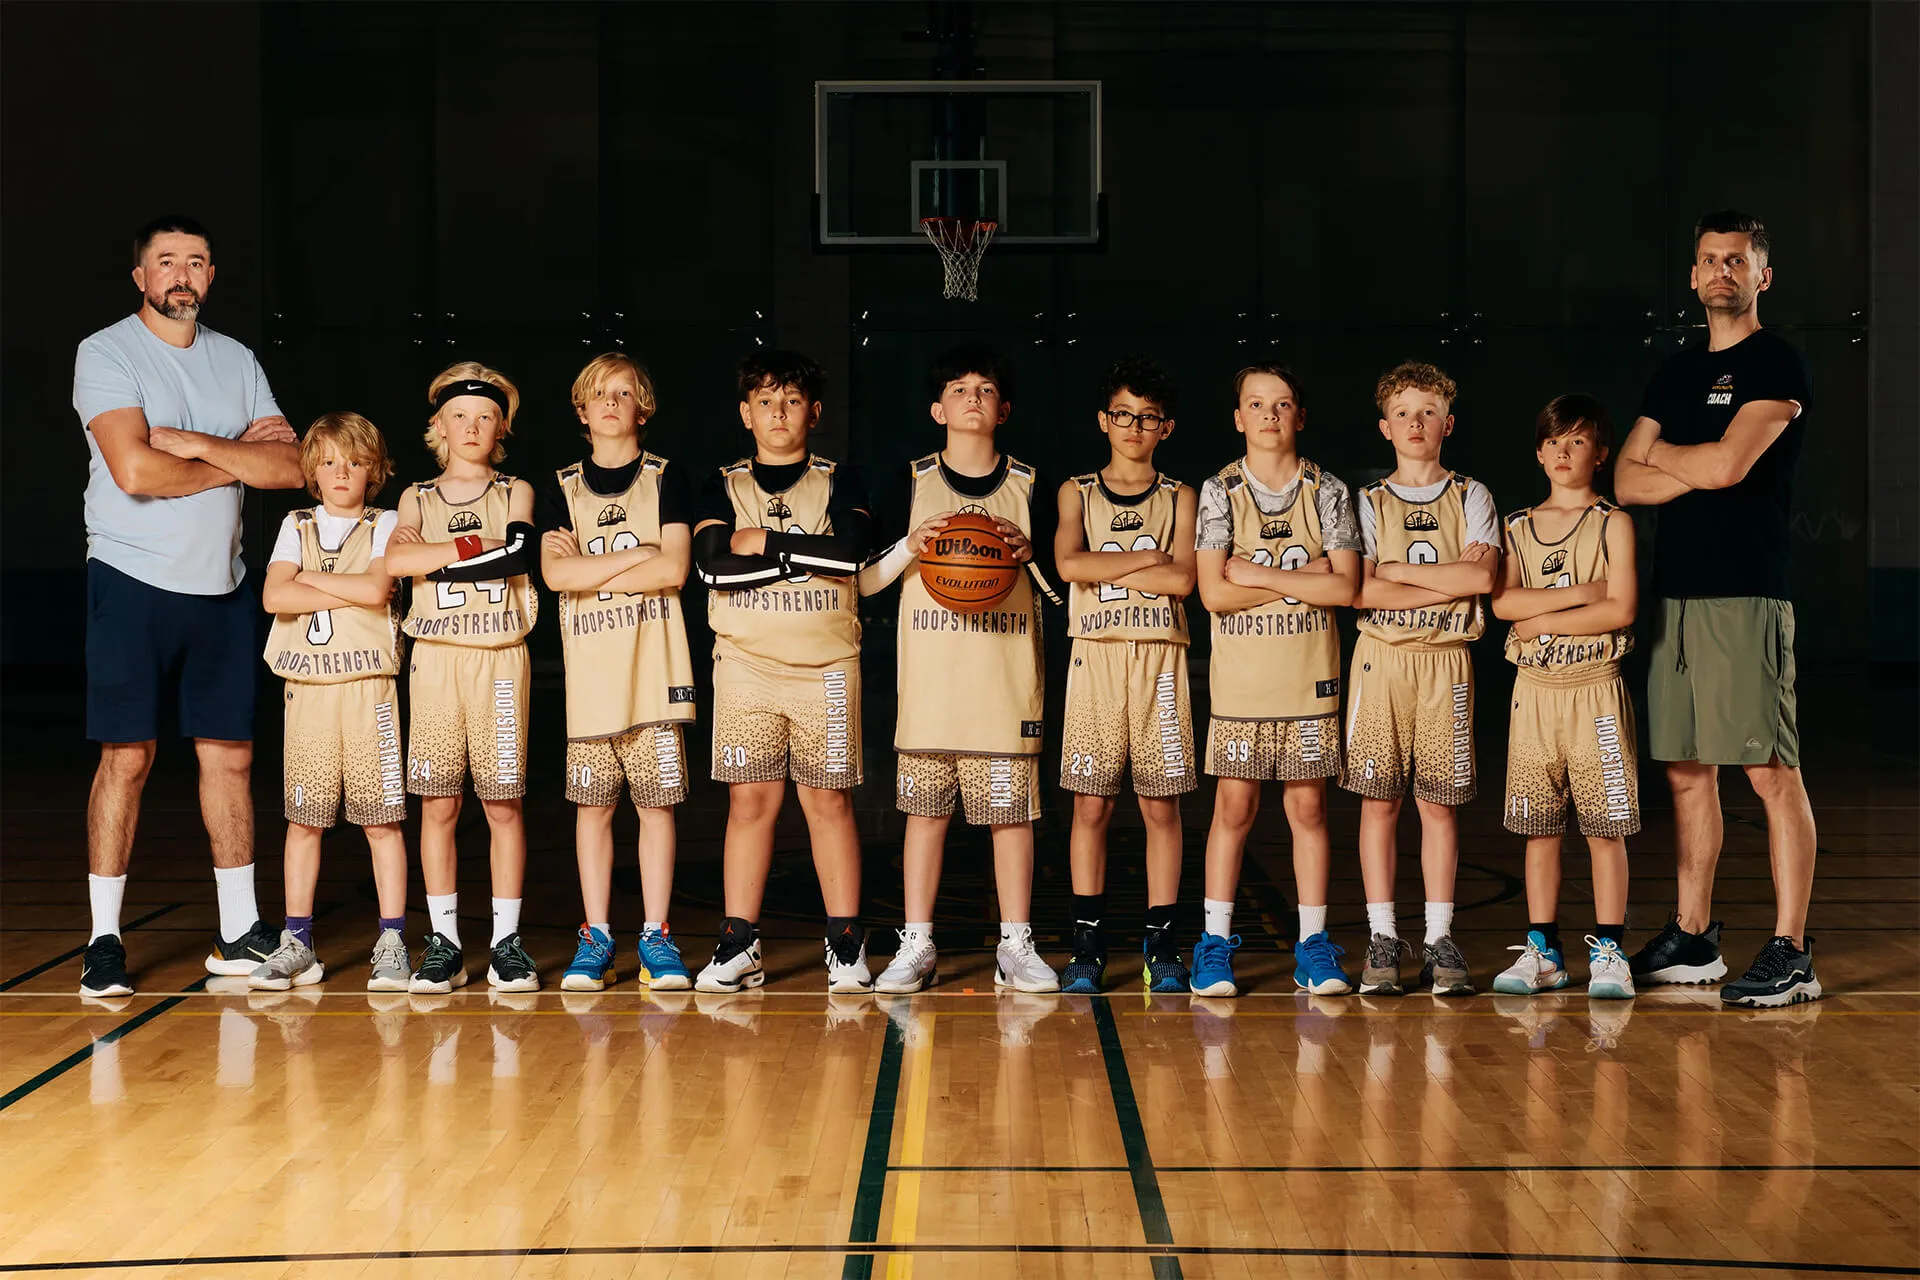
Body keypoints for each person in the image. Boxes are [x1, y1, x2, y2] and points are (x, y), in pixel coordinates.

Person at [73, 214, 304, 998]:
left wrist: (198, 447)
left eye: (196, 261)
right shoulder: (106, 353)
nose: (182, 274)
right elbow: (135, 471)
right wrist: (235, 457)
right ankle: (103, 942)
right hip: (132, 581)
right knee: (128, 758)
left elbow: (293, 465)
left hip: (221, 587)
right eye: (166, 261)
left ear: (211, 276)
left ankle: (239, 934)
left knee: (230, 757)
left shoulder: (235, 359)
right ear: (140, 277)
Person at [1614, 210, 1821, 1007]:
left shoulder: (1781, 364)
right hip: (1677, 598)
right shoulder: (1673, 374)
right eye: (1708, 260)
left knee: (1769, 772)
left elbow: (1733, 466)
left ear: (1761, 276)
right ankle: (1694, 936)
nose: (1720, 272)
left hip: (1747, 592)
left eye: (1736, 261)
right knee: (1687, 771)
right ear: (1692, 277)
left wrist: (1667, 457)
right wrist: (1682, 464)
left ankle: (1792, 948)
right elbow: (1625, 484)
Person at [862, 345, 1063, 995]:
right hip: (931, 686)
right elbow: (864, 582)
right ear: (937, 408)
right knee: (924, 818)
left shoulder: (1034, 482)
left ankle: (1015, 945)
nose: (972, 396)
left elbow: (1064, 593)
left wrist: (1031, 559)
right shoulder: (910, 479)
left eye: (985, 388)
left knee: (1011, 818)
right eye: (959, 387)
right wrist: (909, 548)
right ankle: (916, 945)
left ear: (1004, 410)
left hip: (1004, 686)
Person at [688, 351, 874, 994]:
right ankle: (740, 943)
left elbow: (850, 555)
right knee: (750, 801)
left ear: (814, 412)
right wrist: (806, 558)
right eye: (765, 401)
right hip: (745, 663)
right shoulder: (722, 483)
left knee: (828, 801)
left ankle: (846, 944)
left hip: (826, 664)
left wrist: (763, 545)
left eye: (792, 400)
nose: (778, 412)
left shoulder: (841, 479)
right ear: (745, 413)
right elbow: (711, 566)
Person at [1191, 364, 1362, 998]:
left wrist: (1256, 577)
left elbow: (1344, 588)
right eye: (1256, 404)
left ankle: (1313, 945)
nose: (1269, 414)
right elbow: (1212, 592)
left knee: (1308, 807)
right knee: (1233, 807)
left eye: (1282, 403)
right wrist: (1304, 576)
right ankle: (1214, 942)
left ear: (1300, 415)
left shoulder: (1329, 489)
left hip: (1309, 675)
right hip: (1242, 680)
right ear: (1238, 417)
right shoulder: (1218, 490)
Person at [538, 354, 697, 993]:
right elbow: (555, 576)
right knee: (594, 809)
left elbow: (675, 570)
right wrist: (642, 553)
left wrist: (598, 566)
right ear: (582, 410)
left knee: (657, 808)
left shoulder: (669, 477)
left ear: (643, 406)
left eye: (623, 393)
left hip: (655, 669)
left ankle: (656, 935)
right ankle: (597, 936)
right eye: (599, 394)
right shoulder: (559, 485)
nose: (610, 403)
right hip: (591, 676)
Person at [1344, 361, 1499, 997]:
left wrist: (1396, 575)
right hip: (1382, 661)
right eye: (1404, 413)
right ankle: (1383, 937)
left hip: (1447, 663)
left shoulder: (1474, 495)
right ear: (1385, 427)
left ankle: (1438, 938)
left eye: (1428, 412)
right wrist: (1445, 578)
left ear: (1448, 424)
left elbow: (1482, 580)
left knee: (1438, 803)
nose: (1416, 422)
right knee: (1379, 800)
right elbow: (1361, 589)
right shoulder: (1368, 500)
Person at [385, 362, 540, 994]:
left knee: (503, 802)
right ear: (438, 426)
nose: (471, 426)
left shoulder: (516, 491)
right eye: (459, 416)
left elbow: (522, 552)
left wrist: (436, 558)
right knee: (439, 803)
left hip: (499, 656)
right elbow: (394, 560)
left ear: (500, 425)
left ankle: (507, 942)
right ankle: (444, 940)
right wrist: (478, 550)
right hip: (436, 659)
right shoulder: (416, 496)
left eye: (484, 416)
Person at [1051, 356, 1198, 994]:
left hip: (1160, 656)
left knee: (1160, 806)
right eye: (1123, 415)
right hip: (1097, 655)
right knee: (1091, 805)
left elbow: (1185, 578)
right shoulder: (1076, 490)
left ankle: (1161, 944)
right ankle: (1088, 945)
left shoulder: (1180, 495)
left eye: (1148, 418)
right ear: (1103, 421)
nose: (1133, 427)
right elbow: (1064, 564)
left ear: (1166, 428)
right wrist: (1145, 558)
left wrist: (1103, 566)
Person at [250, 413, 409, 990]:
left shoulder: (388, 522)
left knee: (381, 821)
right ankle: (297, 943)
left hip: (370, 690)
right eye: (330, 460)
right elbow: (273, 595)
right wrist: (350, 590)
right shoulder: (296, 523)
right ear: (313, 469)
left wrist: (312, 583)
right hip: (308, 691)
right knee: (304, 821)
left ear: (374, 469)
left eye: (356, 461)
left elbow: (376, 589)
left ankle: (392, 940)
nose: (343, 471)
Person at [1488, 395, 1639, 1000]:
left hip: (1595, 692)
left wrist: (1541, 619)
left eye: (1577, 441)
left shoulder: (1614, 522)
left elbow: (1621, 608)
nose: (1563, 452)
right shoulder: (1517, 527)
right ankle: (1543, 950)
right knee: (1539, 829)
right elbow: (1503, 607)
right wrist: (1583, 594)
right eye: (1553, 441)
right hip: (1535, 695)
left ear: (1599, 455)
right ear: (1538, 452)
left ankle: (1609, 951)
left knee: (1606, 829)